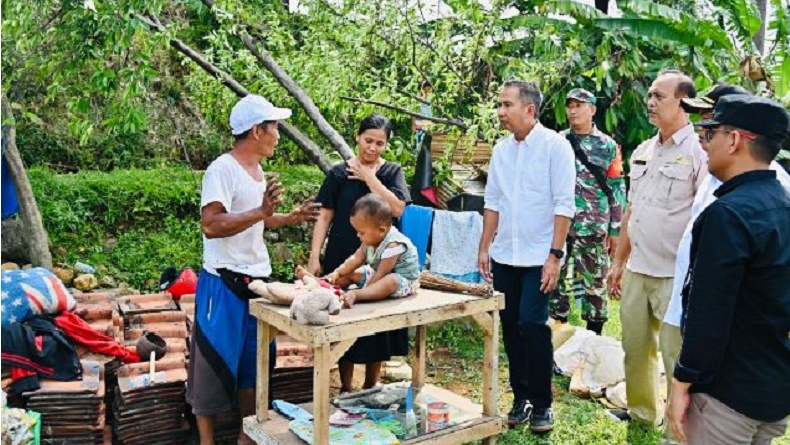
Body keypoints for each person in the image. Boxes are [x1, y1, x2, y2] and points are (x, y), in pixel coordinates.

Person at [186, 94, 320, 445]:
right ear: (257, 131)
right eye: (275, 126)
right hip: (223, 282)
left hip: (256, 281)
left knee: (255, 362)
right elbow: (212, 225)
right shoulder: (222, 169)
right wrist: (261, 212)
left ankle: (248, 435)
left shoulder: (257, 171)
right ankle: (207, 441)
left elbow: (255, 220)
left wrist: (286, 217)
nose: (279, 133)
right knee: (212, 365)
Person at [666, 95, 790, 444]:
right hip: (770, 389)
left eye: (711, 132)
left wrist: (681, 384)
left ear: (734, 140)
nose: (704, 144)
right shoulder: (781, 204)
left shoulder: (729, 215)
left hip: (727, 398)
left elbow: (709, 312)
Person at [606, 70, 707, 427]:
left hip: (674, 275)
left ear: (684, 102)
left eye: (659, 96)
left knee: (674, 354)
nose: (650, 102)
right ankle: (642, 414)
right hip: (639, 268)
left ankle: (678, 426)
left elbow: (704, 215)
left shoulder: (700, 151)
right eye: (649, 95)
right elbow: (633, 210)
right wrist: (619, 263)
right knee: (634, 349)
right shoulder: (645, 150)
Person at [478, 80, 576, 433]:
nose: (501, 112)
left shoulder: (556, 147)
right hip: (506, 254)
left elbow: (564, 205)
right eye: (499, 105)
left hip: (539, 256)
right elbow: (493, 202)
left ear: (529, 110)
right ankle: (522, 398)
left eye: (507, 105)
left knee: (533, 326)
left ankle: (543, 404)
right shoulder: (501, 150)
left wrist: (554, 255)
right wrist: (484, 246)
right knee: (510, 328)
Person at [308, 114, 411, 394]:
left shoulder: (391, 173)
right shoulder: (339, 174)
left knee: (377, 320)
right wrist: (315, 255)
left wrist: (370, 178)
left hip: (381, 258)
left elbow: (398, 209)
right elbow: (325, 215)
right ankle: (345, 386)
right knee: (343, 316)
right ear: (357, 136)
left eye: (380, 143)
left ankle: (371, 384)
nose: (373, 148)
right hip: (343, 254)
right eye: (368, 140)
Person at [549, 88, 626, 335]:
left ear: (592, 110)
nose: (573, 110)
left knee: (593, 285)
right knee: (554, 283)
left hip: (593, 226)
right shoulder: (557, 142)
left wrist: (616, 229)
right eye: (570, 105)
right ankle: (555, 342)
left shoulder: (608, 146)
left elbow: (616, 188)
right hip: (559, 227)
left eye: (579, 105)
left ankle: (594, 342)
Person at [325, 194, 419, 308]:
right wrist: (338, 272)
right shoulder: (370, 240)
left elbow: (382, 273)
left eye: (362, 232)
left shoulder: (393, 245)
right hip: (378, 275)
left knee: (391, 280)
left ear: (381, 230)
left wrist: (365, 291)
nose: (358, 235)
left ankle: (358, 295)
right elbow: (356, 258)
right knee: (353, 272)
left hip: (402, 282)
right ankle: (325, 284)